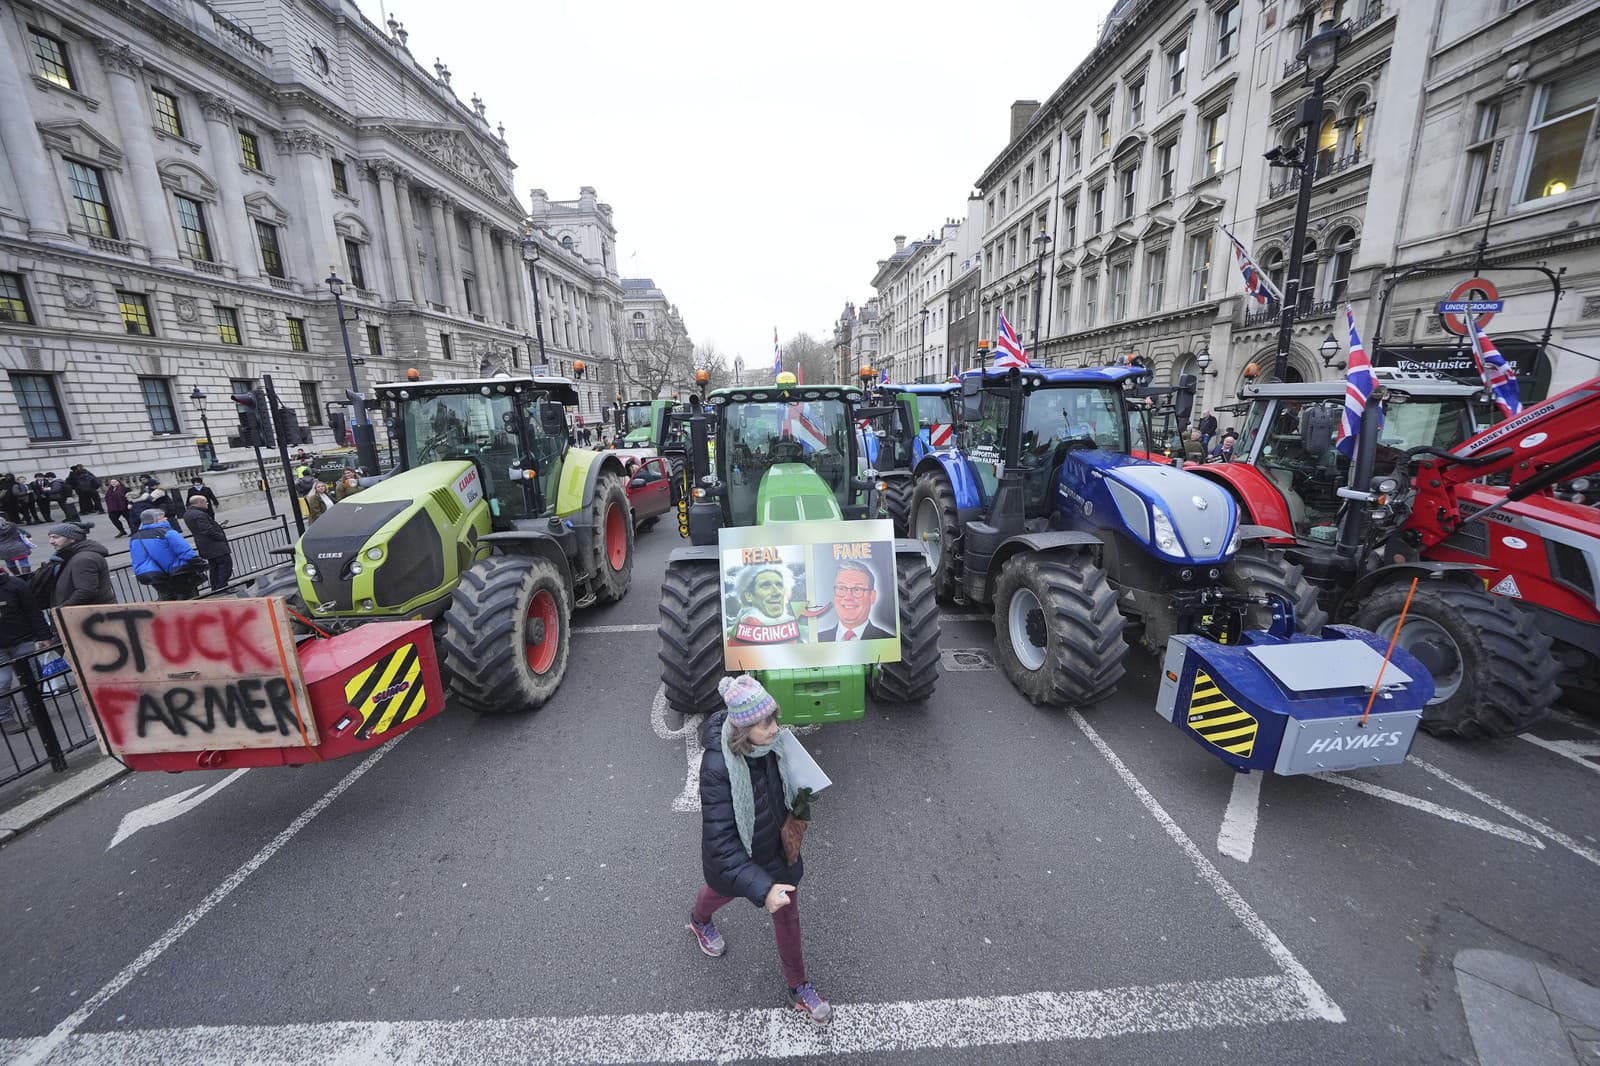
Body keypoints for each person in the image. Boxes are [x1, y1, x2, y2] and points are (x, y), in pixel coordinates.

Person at [688, 675, 831, 1026]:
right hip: (741, 854)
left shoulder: (772, 747)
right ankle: (698, 920)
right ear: (743, 729)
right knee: (720, 891)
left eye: (774, 720)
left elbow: (783, 790)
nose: (775, 729)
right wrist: (762, 888)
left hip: (778, 848)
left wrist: (801, 803)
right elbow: (722, 847)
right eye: (766, 723)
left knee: (788, 915)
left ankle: (798, 987)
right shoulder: (718, 769)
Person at [0, 567, 52, 734]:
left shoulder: (15, 585)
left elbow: (32, 611)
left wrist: (44, 635)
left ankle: (34, 712)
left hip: (23, 639)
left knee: (30, 678)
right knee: (3, 681)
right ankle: (6, 718)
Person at [129, 510, 203, 600]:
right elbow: (184, 551)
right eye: (162, 517)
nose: (166, 518)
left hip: (150, 573)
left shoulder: (135, 537)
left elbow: (137, 556)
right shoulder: (168, 532)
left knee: (166, 596)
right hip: (177, 570)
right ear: (156, 520)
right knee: (187, 596)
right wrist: (200, 564)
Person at [39, 522, 113, 609]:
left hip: (88, 615)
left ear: (72, 538)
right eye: (50, 537)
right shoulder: (69, 556)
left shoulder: (84, 559)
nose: (51, 541)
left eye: (56, 537)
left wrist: (61, 608)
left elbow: (86, 591)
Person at [817, 559, 893, 642]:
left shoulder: (888, 640)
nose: (848, 597)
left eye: (857, 589)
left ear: (872, 596)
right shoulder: (818, 639)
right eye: (842, 588)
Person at [183, 494, 232, 592]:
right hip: (214, 546)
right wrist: (220, 536)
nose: (207, 503)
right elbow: (207, 530)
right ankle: (222, 586)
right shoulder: (200, 514)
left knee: (214, 567)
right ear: (200, 503)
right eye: (206, 502)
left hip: (205, 545)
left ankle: (216, 586)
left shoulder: (188, 514)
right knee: (225, 565)